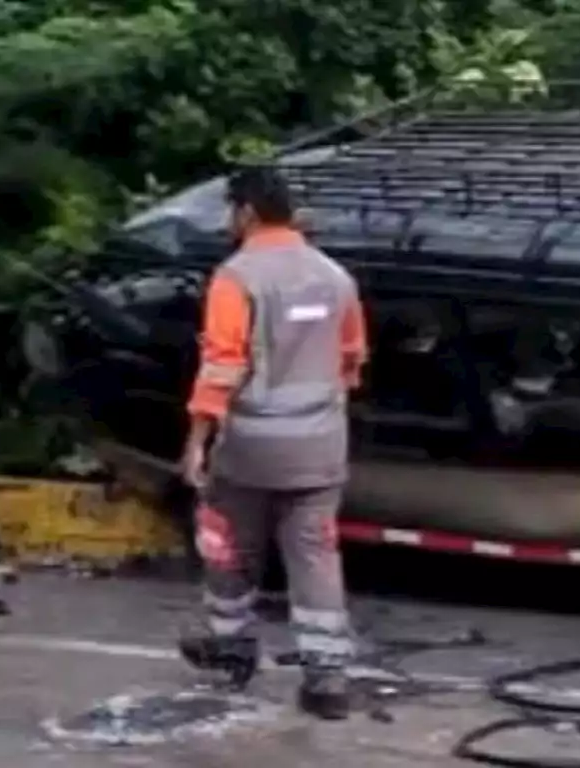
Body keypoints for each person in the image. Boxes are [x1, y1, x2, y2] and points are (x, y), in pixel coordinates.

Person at [178, 166, 368, 719]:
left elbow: (222, 366)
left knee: (227, 542)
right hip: (321, 448)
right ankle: (327, 679)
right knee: (314, 554)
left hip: (252, 448)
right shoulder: (335, 278)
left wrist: (196, 440)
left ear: (247, 213)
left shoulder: (237, 277)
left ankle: (232, 647)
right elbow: (353, 357)